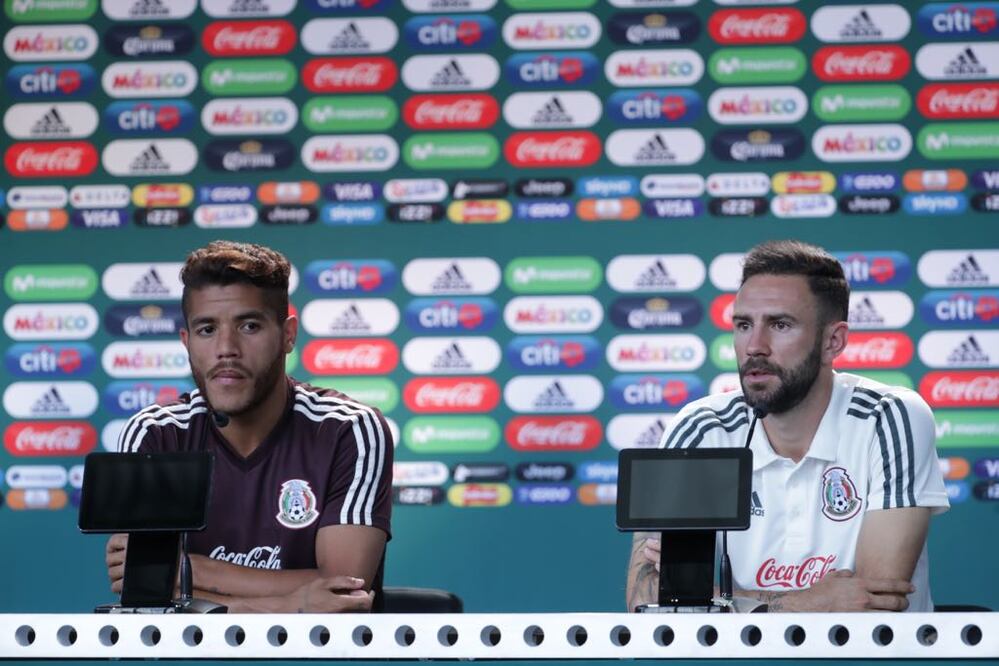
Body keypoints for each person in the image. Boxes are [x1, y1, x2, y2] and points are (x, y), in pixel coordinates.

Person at [626, 240, 948, 612]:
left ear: (833, 341)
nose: (754, 346)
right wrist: (806, 602)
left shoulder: (887, 417)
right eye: (744, 325)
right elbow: (646, 602)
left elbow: (874, 604)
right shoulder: (703, 430)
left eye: (780, 325)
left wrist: (715, 596)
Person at [106, 241, 393, 613]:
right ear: (186, 341)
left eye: (249, 326)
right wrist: (292, 604)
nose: (227, 348)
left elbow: (341, 594)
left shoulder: (348, 430)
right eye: (207, 329)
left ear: (288, 334)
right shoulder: (156, 434)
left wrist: (187, 571)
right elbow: (146, 595)